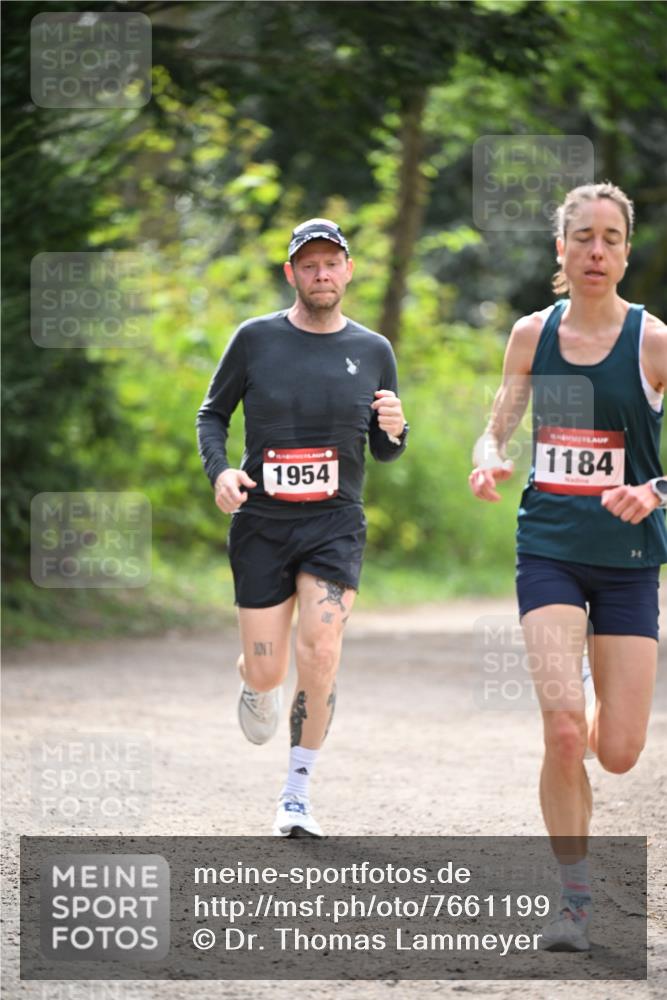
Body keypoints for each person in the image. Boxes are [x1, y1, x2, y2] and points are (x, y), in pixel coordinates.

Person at [469, 182, 667, 950]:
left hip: (626, 564)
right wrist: (488, 460)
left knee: (615, 753)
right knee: (559, 734)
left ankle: (586, 696)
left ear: (624, 250)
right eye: (580, 236)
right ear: (559, 248)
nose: (594, 250)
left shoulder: (652, 343)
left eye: (610, 238)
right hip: (547, 546)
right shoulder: (530, 334)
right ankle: (574, 903)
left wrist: (653, 491)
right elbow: (497, 427)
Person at [196, 218, 408, 837]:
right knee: (269, 669)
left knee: (320, 651)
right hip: (262, 521)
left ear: (348, 270)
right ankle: (255, 683)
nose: (321, 274)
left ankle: (296, 792)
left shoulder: (374, 350)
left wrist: (395, 427)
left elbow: (387, 450)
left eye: (331, 263)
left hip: (334, 523)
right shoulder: (255, 339)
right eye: (308, 265)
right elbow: (213, 414)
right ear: (292, 273)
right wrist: (221, 473)